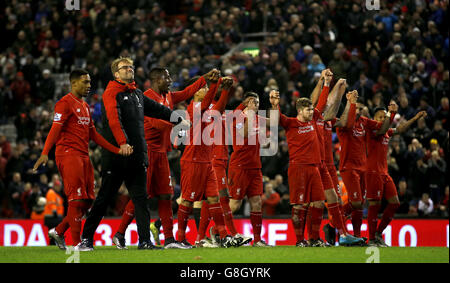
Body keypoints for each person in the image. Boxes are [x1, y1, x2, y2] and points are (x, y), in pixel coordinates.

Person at [77, 57, 188, 251]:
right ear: (116, 74)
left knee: (141, 199)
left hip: (137, 155)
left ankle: (144, 241)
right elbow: (113, 120)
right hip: (117, 155)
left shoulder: (136, 93)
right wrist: (122, 142)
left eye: (131, 67)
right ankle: (86, 238)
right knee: (104, 198)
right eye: (124, 68)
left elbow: (157, 109)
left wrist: (177, 118)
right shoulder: (111, 93)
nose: (129, 70)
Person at [112, 67, 219, 250]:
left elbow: (186, 92)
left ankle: (169, 239)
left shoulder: (168, 96)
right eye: (167, 77)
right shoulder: (145, 96)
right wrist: (177, 122)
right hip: (147, 152)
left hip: (161, 153)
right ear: (156, 79)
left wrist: (205, 79)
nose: (170, 80)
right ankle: (120, 233)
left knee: (166, 195)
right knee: (141, 196)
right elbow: (154, 122)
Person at [32, 69, 126, 250]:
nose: (89, 85)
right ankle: (77, 244)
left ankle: (59, 231)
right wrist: (45, 152)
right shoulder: (64, 103)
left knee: (88, 200)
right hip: (68, 153)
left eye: (90, 82)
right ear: (73, 83)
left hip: (84, 155)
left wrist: (116, 150)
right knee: (76, 199)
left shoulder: (84, 106)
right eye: (85, 82)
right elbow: (55, 128)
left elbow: (94, 134)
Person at [176, 75, 235, 248]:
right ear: (195, 92)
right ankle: (180, 239)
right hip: (192, 160)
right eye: (203, 88)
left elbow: (220, 109)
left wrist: (225, 90)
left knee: (213, 198)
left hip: (207, 160)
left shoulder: (208, 108)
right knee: (187, 200)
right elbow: (208, 102)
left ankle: (224, 236)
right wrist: (216, 84)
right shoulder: (193, 108)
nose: (207, 91)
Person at [366, 104, 427, 246]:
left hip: (384, 172)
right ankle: (372, 239)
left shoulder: (386, 131)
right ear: (373, 119)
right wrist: (390, 114)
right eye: (379, 117)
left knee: (394, 203)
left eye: (383, 117)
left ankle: (377, 233)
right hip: (373, 172)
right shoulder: (373, 130)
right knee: (375, 204)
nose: (382, 119)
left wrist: (415, 118)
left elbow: (399, 129)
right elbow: (383, 129)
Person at [335, 93, 392, 239]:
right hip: (348, 167)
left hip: (363, 168)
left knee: (359, 204)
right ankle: (334, 222)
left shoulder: (364, 122)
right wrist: (351, 103)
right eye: (357, 107)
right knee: (356, 202)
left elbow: (383, 128)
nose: (359, 110)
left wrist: (391, 115)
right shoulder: (342, 123)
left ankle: (357, 235)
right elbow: (347, 124)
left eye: (361, 108)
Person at [227, 90, 275, 247]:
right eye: (254, 102)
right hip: (240, 166)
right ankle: (217, 231)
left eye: (259, 102)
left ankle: (257, 240)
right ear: (247, 102)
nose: (257, 104)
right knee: (235, 204)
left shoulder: (258, 119)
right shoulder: (238, 117)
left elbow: (274, 121)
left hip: (255, 167)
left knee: (257, 202)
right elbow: (244, 133)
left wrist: (275, 105)